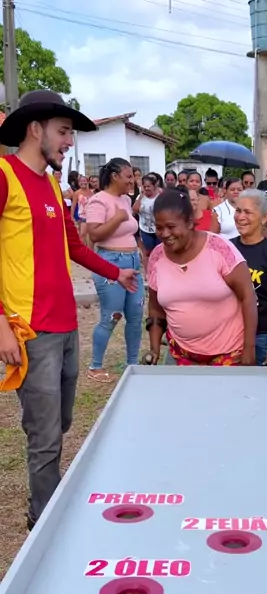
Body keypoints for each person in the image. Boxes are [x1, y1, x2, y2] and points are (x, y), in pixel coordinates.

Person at [0, 89, 137, 530]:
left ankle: (46, 504)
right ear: (34, 129)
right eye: (63, 132)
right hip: (30, 330)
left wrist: (117, 273)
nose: (69, 142)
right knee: (44, 435)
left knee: (59, 422)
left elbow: (74, 246)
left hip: (65, 326)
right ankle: (44, 522)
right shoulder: (4, 176)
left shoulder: (51, 187)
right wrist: (1, 323)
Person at [146, 190, 257, 366]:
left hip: (228, 353)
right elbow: (155, 309)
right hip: (180, 353)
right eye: (159, 228)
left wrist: (249, 349)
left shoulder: (219, 249)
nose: (165, 234)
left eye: (171, 227)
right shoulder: (156, 258)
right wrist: (154, 349)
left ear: (190, 222)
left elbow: (248, 296)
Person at [86, 157, 144, 382]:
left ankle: (132, 363)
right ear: (114, 176)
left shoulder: (126, 200)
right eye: (128, 176)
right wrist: (118, 219)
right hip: (110, 262)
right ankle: (95, 366)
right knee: (111, 316)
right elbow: (94, 234)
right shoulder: (98, 201)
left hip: (133, 262)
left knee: (136, 315)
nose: (132, 181)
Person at [231, 189, 267, 366]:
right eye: (238, 210)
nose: (240, 217)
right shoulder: (228, 248)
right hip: (230, 334)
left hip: (261, 335)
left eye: (248, 212)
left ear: (264, 218)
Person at [133, 173, 161, 261]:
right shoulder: (140, 197)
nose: (146, 188)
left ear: (154, 186)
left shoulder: (159, 196)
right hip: (145, 229)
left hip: (158, 228)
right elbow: (134, 210)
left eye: (148, 186)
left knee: (159, 251)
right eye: (144, 186)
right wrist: (140, 198)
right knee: (148, 252)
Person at [72, 174, 93, 244]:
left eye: (84, 181)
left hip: (91, 216)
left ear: (88, 182)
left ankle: (90, 249)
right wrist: (71, 217)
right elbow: (73, 206)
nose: (83, 182)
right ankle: (83, 249)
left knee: (90, 236)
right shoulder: (77, 193)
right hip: (82, 216)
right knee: (82, 235)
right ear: (78, 183)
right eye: (81, 181)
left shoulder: (92, 193)